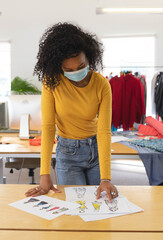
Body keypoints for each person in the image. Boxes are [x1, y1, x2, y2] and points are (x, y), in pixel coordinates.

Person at [25, 22, 118, 201]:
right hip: (68, 154)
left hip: (96, 150)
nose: (76, 73)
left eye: (81, 66)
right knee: (77, 208)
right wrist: (45, 174)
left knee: (99, 208)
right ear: (59, 67)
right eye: (68, 70)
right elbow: (48, 126)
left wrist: (106, 178)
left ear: (89, 58)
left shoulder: (102, 84)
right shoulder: (51, 82)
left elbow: (104, 131)